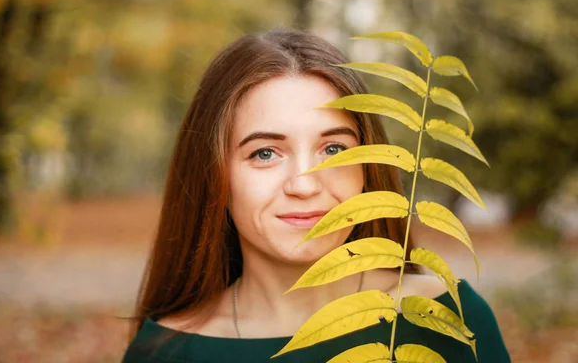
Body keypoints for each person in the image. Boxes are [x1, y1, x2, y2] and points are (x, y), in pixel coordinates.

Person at [121, 28, 510, 362]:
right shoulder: (165, 353)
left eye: (334, 150)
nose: (305, 185)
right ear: (214, 176)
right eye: (265, 153)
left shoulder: (448, 320)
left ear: (367, 169)